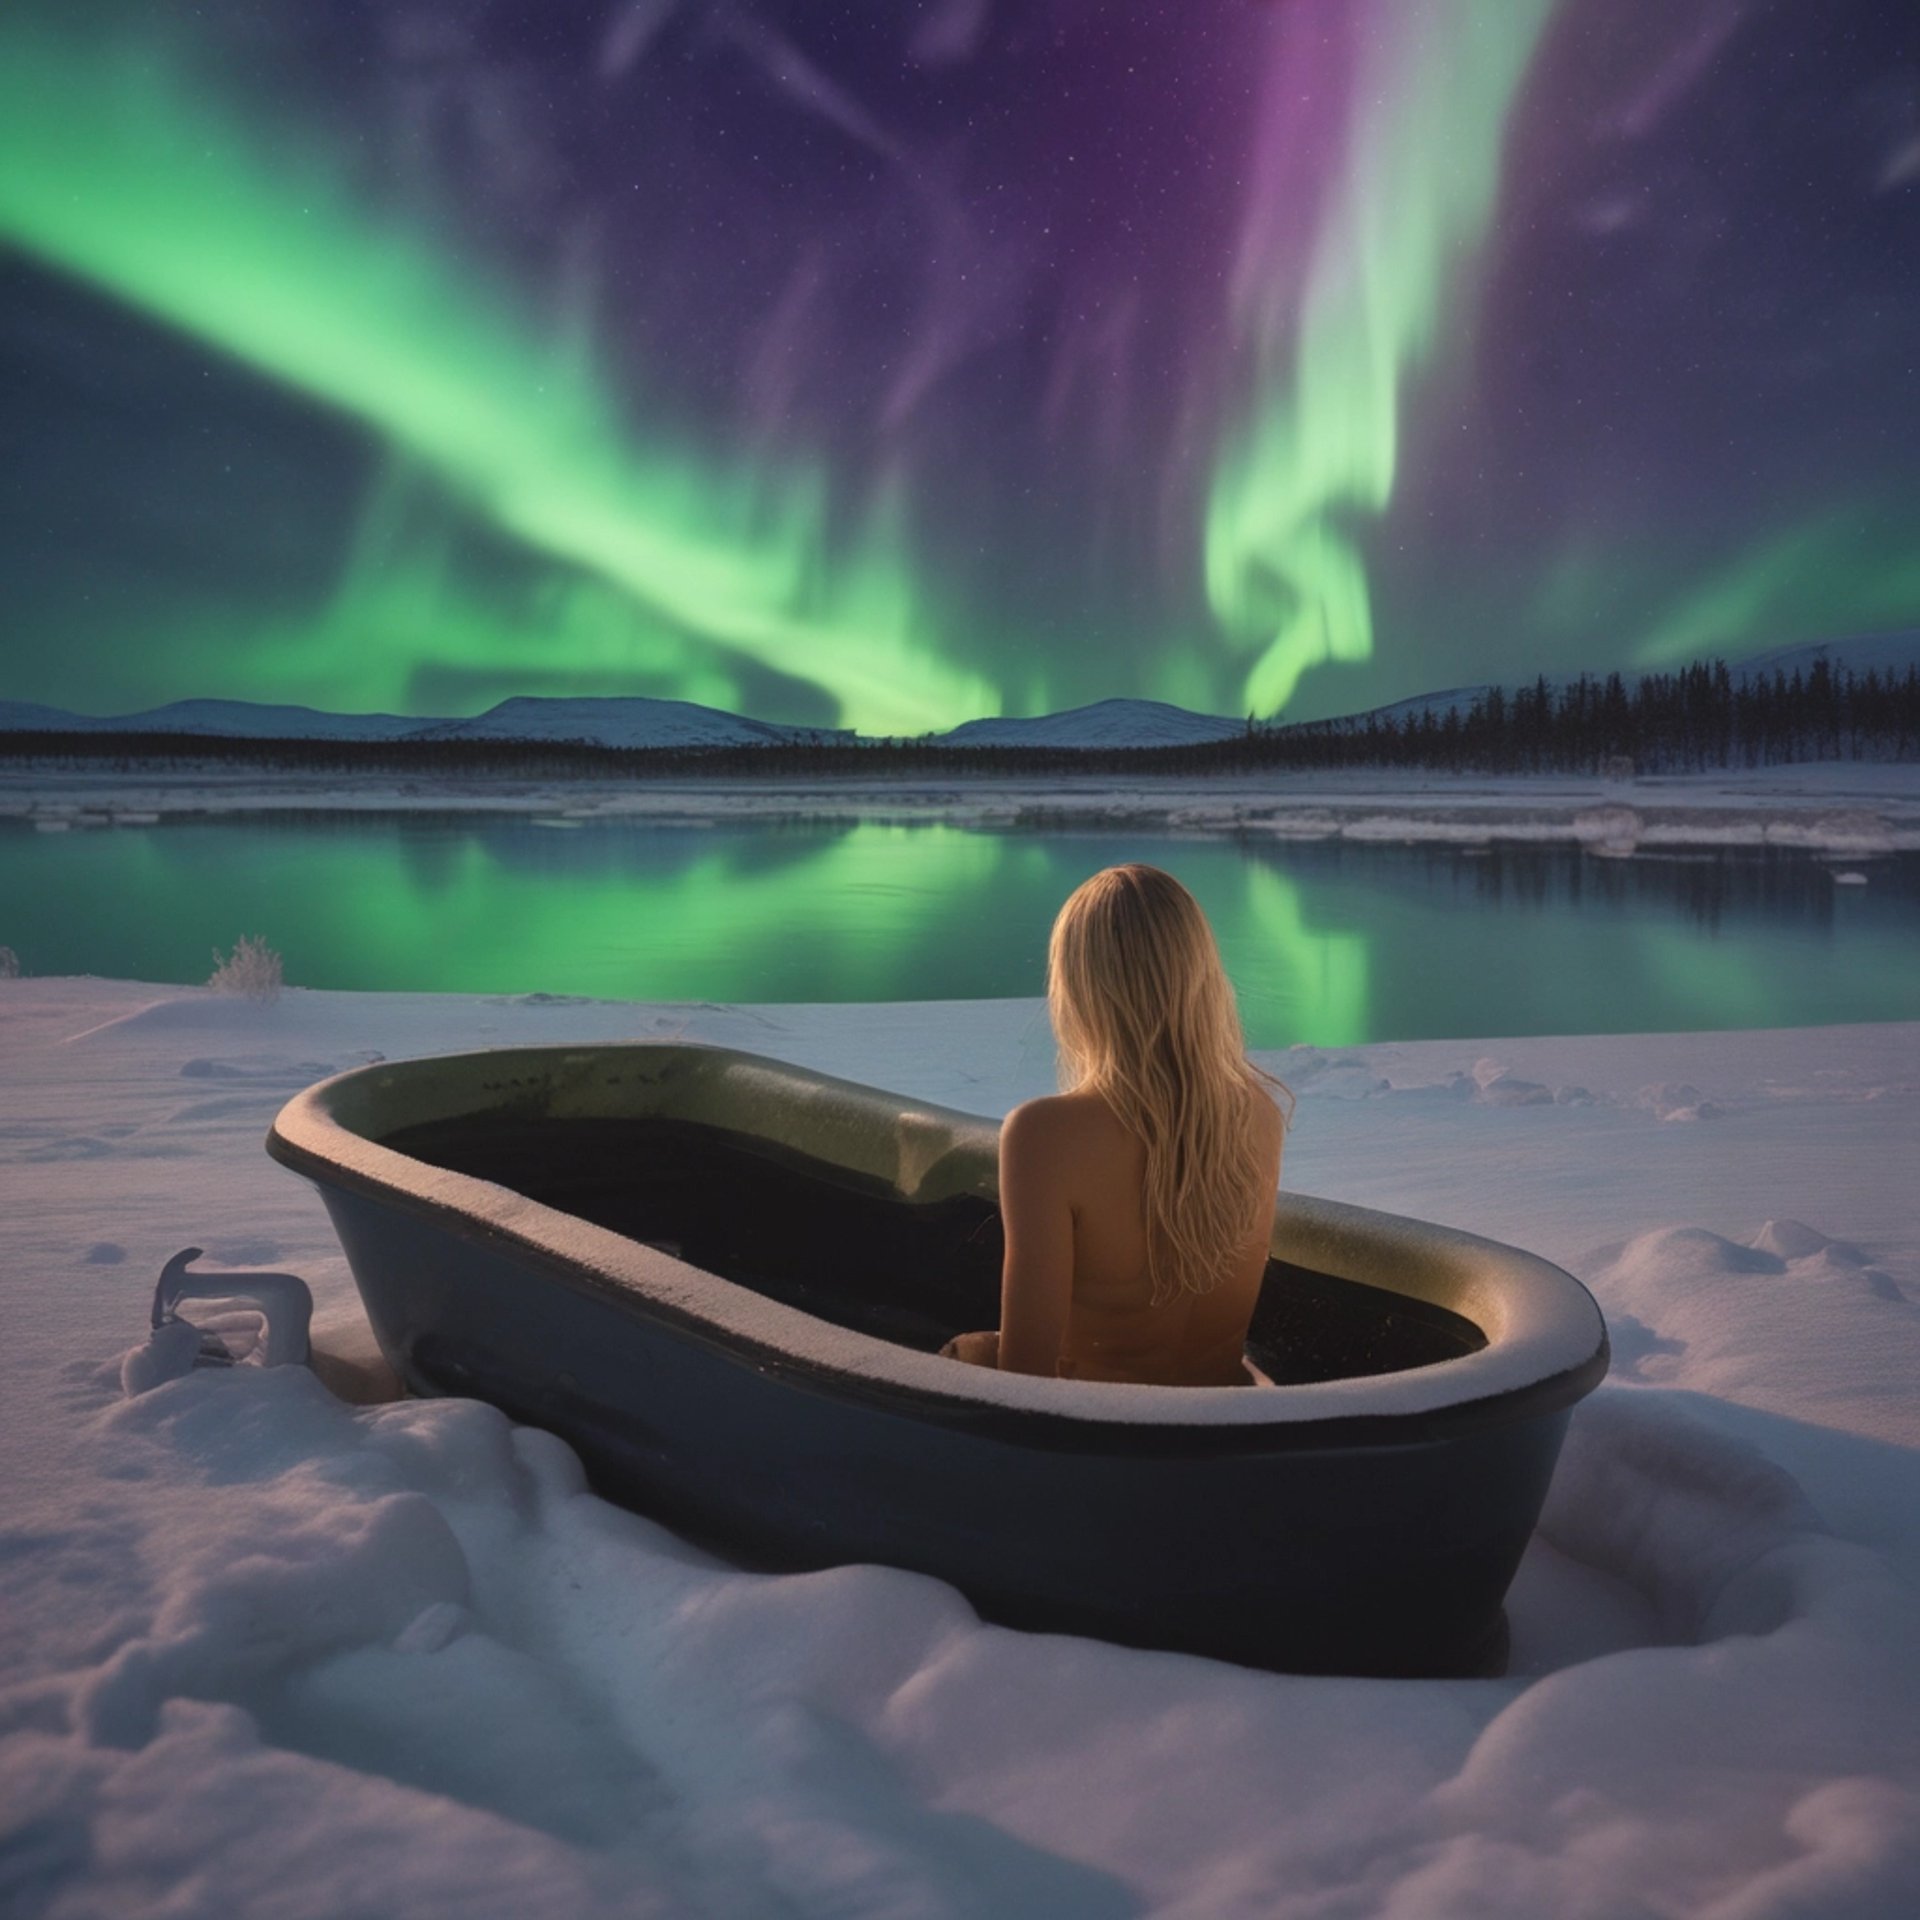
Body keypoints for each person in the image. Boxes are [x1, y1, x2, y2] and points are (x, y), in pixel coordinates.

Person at [941, 863, 1290, 1386]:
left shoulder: (1045, 1136)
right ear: (1200, 972)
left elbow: (1025, 1378)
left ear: (1080, 985)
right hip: (1223, 1416)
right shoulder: (1259, 1112)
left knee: (962, 1352)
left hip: (1107, 1430)